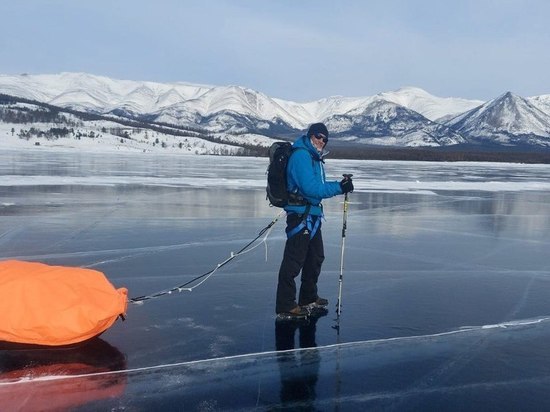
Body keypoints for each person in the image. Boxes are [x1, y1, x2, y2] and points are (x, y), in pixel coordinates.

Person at [276, 123, 354, 317]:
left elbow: (316, 186)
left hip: (312, 214)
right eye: (319, 137)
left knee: (315, 257)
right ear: (311, 135)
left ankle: (308, 297)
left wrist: (340, 185)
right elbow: (311, 189)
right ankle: (286, 304)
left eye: (325, 139)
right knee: (294, 261)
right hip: (300, 215)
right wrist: (339, 188)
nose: (322, 141)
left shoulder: (313, 157)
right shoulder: (301, 156)